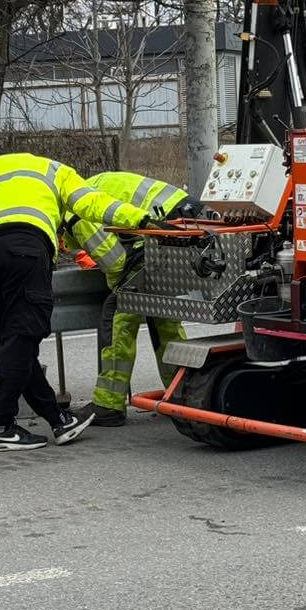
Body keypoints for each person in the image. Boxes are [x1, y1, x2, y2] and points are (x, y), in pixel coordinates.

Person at [0, 154, 150, 453]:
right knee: (24, 334)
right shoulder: (55, 170)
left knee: (15, 339)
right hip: (27, 249)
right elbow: (94, 205)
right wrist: (140, 219)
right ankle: (2, 427)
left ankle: (58, 419)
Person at [65, 172, 196, 427]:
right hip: (183, 226)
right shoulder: (91, 185)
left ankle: (108, 403)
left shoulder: (73, 210)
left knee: (118, 311)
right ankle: (180, 394)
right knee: (164, 318)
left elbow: (113, 261)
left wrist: (120, 289)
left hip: (162, 235)